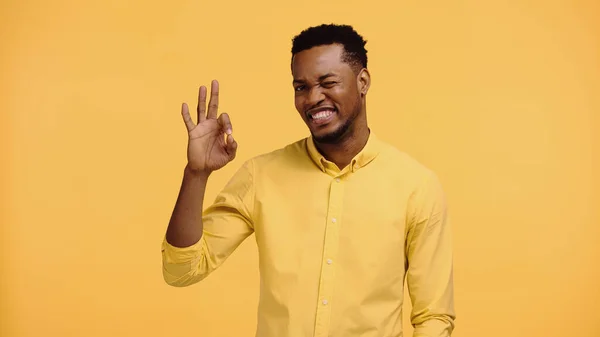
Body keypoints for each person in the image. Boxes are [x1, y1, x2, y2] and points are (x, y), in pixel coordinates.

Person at [161, 23, 456, 337]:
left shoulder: (416, 186)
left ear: (363, 82)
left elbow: (433, 318)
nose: (313, 98)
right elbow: (182, 271)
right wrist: (196, 174)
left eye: (328, 82)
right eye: (301, 87)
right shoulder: (261, 176)